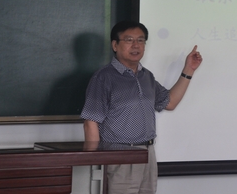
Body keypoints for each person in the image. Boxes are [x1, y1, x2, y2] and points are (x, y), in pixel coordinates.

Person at [81, 20, 202, 194]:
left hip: (147, 153)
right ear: (115, 45)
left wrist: (188, 70)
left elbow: (170, 102)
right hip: (119, 156)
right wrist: (94, 163)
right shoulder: (104, 77)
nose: (136, 45)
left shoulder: (147, 76)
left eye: (141, 40)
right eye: (129, 40)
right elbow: (91, 122)